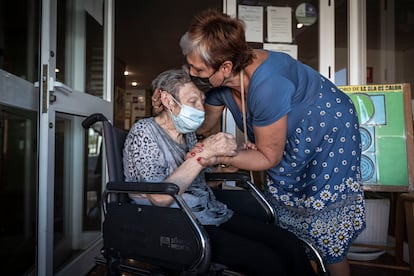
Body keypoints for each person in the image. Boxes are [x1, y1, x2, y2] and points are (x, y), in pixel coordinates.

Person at [179, 9, 366, 276]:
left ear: (226, 67)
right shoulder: (220, 85)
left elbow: (268, 158)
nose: (192, 72)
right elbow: (204, 126)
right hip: (288, 140)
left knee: (326, 229)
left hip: (327, 134)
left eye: (197, 68)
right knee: (286, 219)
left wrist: (216, 154)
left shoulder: (269, 85)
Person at [123, 68, 315, 275]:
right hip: (175, 225)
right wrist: (203, 155)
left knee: (289, 244)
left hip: (210, 214)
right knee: (266, 260)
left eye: (202, 101)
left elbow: (196, 183)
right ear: (168, 101)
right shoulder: (144, 132)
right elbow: (160, 197)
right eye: (193, 101)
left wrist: (227, 164)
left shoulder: (187, 136)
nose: (201, 109)